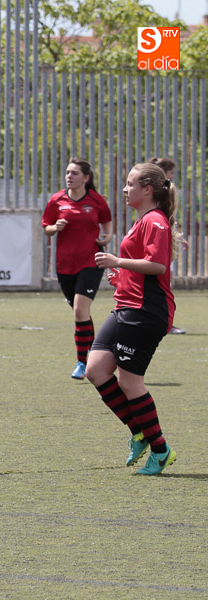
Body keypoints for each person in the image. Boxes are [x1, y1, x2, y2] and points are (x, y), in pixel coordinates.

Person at [87, 162, 179, 475]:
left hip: (145, 312)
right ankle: (139, 432)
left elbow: (158, 266)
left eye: (130, 184)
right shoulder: (140, 220)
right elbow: (142, 267)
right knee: (96, 369)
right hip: (126, 304)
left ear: (147, 189)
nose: (125, 190)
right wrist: (122, 274)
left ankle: (161, 449)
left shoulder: (155, 221)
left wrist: (117, 260)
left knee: (129, 381)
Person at [41, 158, 113, 379]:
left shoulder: (96, 200)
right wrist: (55, 227)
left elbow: (106, 220)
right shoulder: (57, 200)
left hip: (90, 262)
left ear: (86, 178)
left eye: (74, 173)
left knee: (80, 311)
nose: (69, 177)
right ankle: (95, 353)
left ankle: (83, 363)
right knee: (81, 313)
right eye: (67, 172)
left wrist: (108, 235)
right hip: (64, 264)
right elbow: (46, 227)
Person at [150, 157, 186, 334]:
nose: (172, 176)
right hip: (160, 245)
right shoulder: (159, 194)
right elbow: (164, 217)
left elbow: (168, 218)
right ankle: (165, 323)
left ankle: (162, 322)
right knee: (163, 285)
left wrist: (175, 235)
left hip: (164, 240)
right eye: (171, 172)